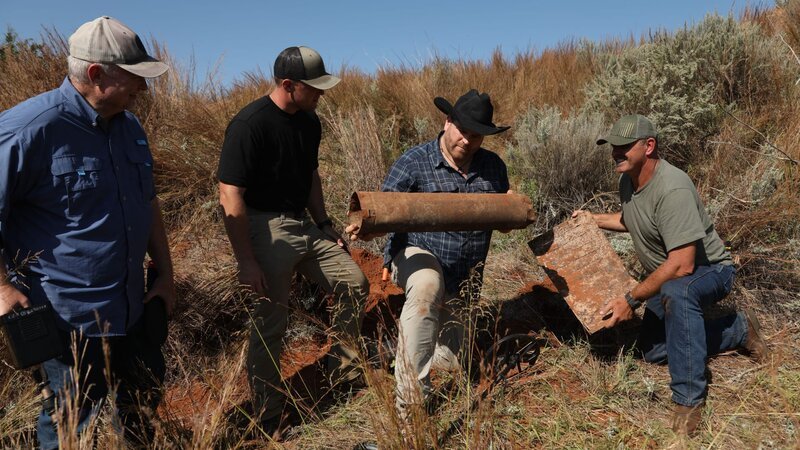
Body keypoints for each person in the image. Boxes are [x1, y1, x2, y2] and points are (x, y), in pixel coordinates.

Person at [0, 16, 176, 448]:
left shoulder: (130, 128)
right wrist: (2, 288)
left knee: (139, 415)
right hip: (68, 321)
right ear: (96, 75)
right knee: (68, 426)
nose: (144, 88)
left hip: (133, 309)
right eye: (135, 77)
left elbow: (148, 202)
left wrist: (166, 274)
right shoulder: (30, 129)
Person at [575, 114, 769, 436]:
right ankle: (738, 329)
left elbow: (682, 265)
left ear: (649, 146)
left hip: (711, 270)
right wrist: (591, 219)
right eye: (613, 147)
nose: (615, 154)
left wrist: (631, 299)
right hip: (675, 273)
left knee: (678, 292)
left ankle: (689, 399)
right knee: (653, 350)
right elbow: (631, 219)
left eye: (623, 147)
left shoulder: (673, 186)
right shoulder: (629, 179)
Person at [217, 46, 369, 438]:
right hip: (265, 229)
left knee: (354, 283)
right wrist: (246, 261)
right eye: (314, 88)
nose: (321, 94)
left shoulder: (309, 121)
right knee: (272, 321)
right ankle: (269, 416)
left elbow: (311, 176)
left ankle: (344, 371)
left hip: (304, 226)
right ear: (288, 85)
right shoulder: (249, 124)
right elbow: (230, 193)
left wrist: (323, 223)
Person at [348, 89, 511, 421]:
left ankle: (394, 350)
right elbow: (385, 209)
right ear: (447, 121)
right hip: (416, 256)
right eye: (462, 130)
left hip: (465, 278)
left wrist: (511, 211)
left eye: (476, 135)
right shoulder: (414, 162)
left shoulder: (493, 168)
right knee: (426, 285)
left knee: (448, 362)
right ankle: (412, 412)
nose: (467, 140)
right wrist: (366, 226)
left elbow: (503, 219)